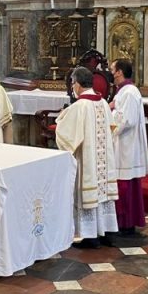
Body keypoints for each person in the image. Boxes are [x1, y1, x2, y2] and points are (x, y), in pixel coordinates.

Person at [54, 66, 119, 249]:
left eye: (73, 83)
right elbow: (112, 128)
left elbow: (66, 135)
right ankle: (107, 231)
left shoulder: (80, 106)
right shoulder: (104, 103)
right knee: (103, 195)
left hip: (88, 161)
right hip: (104, 162)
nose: (73, 87)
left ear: (79, 83)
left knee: (89, 195)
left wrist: (60, 120)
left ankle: (90, 236)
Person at [108, 58, 148, 244]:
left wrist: (109, 116)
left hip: (126, 145)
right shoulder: (123, 91)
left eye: (112, 70)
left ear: (119, 72)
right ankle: (121, 222)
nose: (110, 73)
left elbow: (127, 120)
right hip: (121, 144)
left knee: (125, 187)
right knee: (122, 185)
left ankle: (126, 224)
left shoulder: (130, 92)